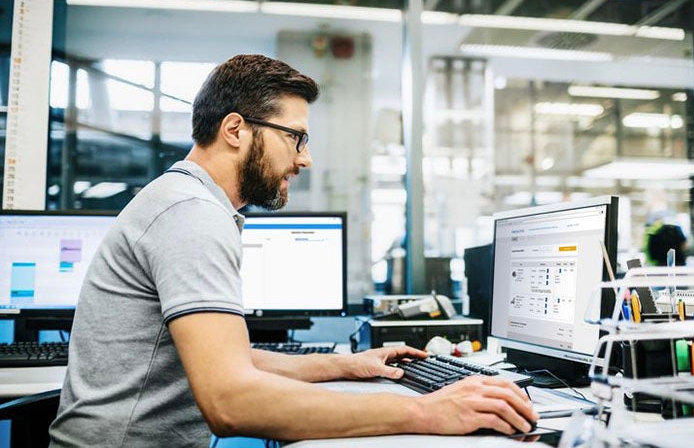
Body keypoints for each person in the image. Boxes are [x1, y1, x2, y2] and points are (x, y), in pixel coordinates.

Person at [49, 54, 537, 446]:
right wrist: (429, 410)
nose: (305, 158)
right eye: (296, 137)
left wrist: (346, 365)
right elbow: (231, 402)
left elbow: (230, 360)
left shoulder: (188, 202)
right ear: (236, 130)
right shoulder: (190, 215)